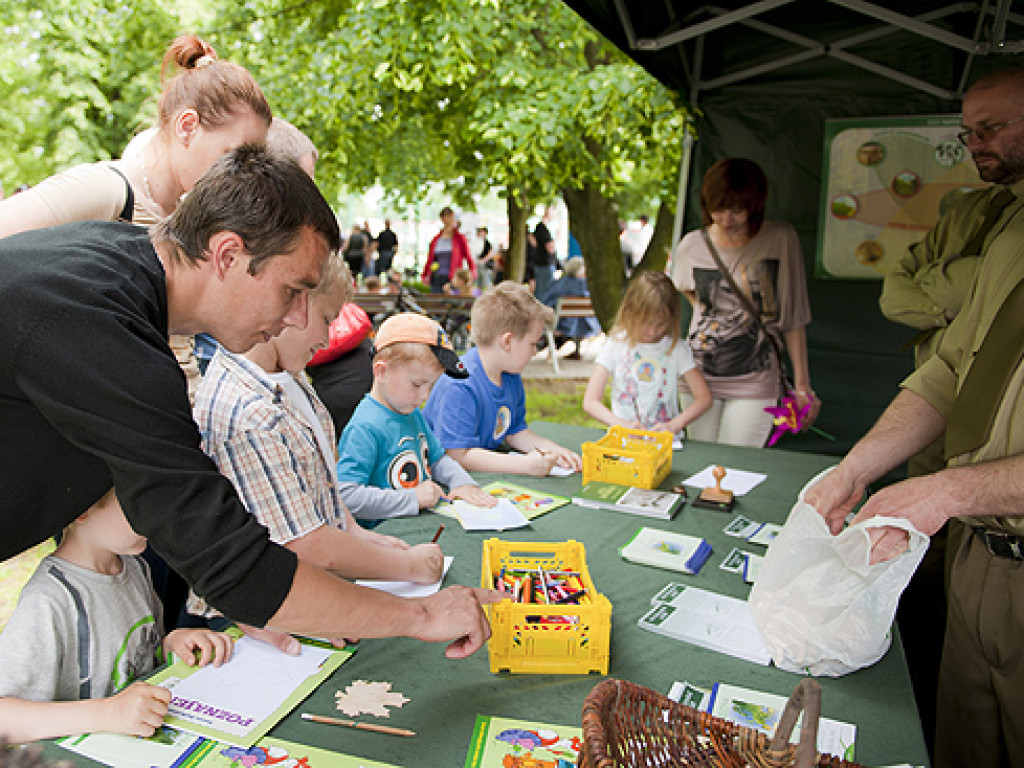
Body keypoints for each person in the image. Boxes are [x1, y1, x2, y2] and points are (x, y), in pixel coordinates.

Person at [0, 144, 498, 659]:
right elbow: (229, 558)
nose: (299, 318)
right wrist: (421, 615)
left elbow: (182, 520)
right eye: (292, 290)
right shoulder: (102, 330)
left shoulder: (121, 277)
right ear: (228, 255)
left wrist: (251, 597)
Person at [806, 67, 1024, 768]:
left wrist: (940, 492)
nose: (975, 145)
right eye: (968, 132)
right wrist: (856, 468)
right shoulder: (1007, 229)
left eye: (992, 128)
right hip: (981, 560)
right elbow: (949, 369)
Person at [191, 261, 443, 623]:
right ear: (291, 304)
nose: (328, 338)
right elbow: (306, 544)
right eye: (327, 318)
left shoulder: (289, 375)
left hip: (308, 589)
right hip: (263, 617)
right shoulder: (250, 413)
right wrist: (406, 566)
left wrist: (358, 537)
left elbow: (322, 490)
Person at [0, 489, 233, 743]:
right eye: (136, 502)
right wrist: (108, 712)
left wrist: (172, 643)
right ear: (81, 509)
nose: (155, 516)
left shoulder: (135, 568)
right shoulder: (47, 600)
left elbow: (138, 657)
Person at [670, 158, 819, 447]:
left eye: (737, 210)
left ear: (755, 204)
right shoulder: (692, 244)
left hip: (756, 375)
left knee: (736, 463)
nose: (726, 219)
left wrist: (802, 384)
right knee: (702, 462)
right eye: (718, 208)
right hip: (698, 373)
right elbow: (693, 298)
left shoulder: (780, 239)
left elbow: (793, 316)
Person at [335, 313, 496, 522]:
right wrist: (412, 499)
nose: (425, 396)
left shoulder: (411, 412)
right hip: (385, 537)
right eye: (417, 385)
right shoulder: (365, 427)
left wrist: (462, 482)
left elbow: (437, 459)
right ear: (381, 372)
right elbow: (346, 496)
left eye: (431, 385)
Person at [423, 282, 583, 476]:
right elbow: (457, 455)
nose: (534, 352)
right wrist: (525, 465)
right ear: (507, 341)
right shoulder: (459, 384)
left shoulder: (509, 375)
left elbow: (514, 432)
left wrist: (550, 449)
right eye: (532, 344)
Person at [583, 271, 712, 435]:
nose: (652, 332)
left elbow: (704, 397)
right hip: (625, 441)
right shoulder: (615, 344)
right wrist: (621, 424)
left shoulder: (676, 349)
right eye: (645, 323)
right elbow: (591, 401)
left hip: (665, 442)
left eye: (660, 324)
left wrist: (674, 425)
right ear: (629, 313)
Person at [539, 256, 599, 359]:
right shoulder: (589, 285)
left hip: (562, 323)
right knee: (577, 320)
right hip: (587, 324)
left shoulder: (561, 283)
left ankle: (549, 352)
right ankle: (576, 350)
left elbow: (547, 302)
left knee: (556, 321)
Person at [422, 206, 475, 293]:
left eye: (452, 217)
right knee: (436, 303)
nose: (450, 220)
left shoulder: (459, 238)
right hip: (437, 278)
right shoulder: (436, 240)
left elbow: (468, 257)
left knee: (451, 303)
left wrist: (472, 274)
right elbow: (430, 260)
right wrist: (425, 275)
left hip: (453, 279)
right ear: (442, 218)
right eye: (447, 216)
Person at [529, 208, 558, 300]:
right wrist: (556, 239)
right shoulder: (542, 229)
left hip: (542, 265)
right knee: (545, 294)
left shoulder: (540, 228)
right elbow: (550, 248)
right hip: (544, 266)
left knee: (541, 293)